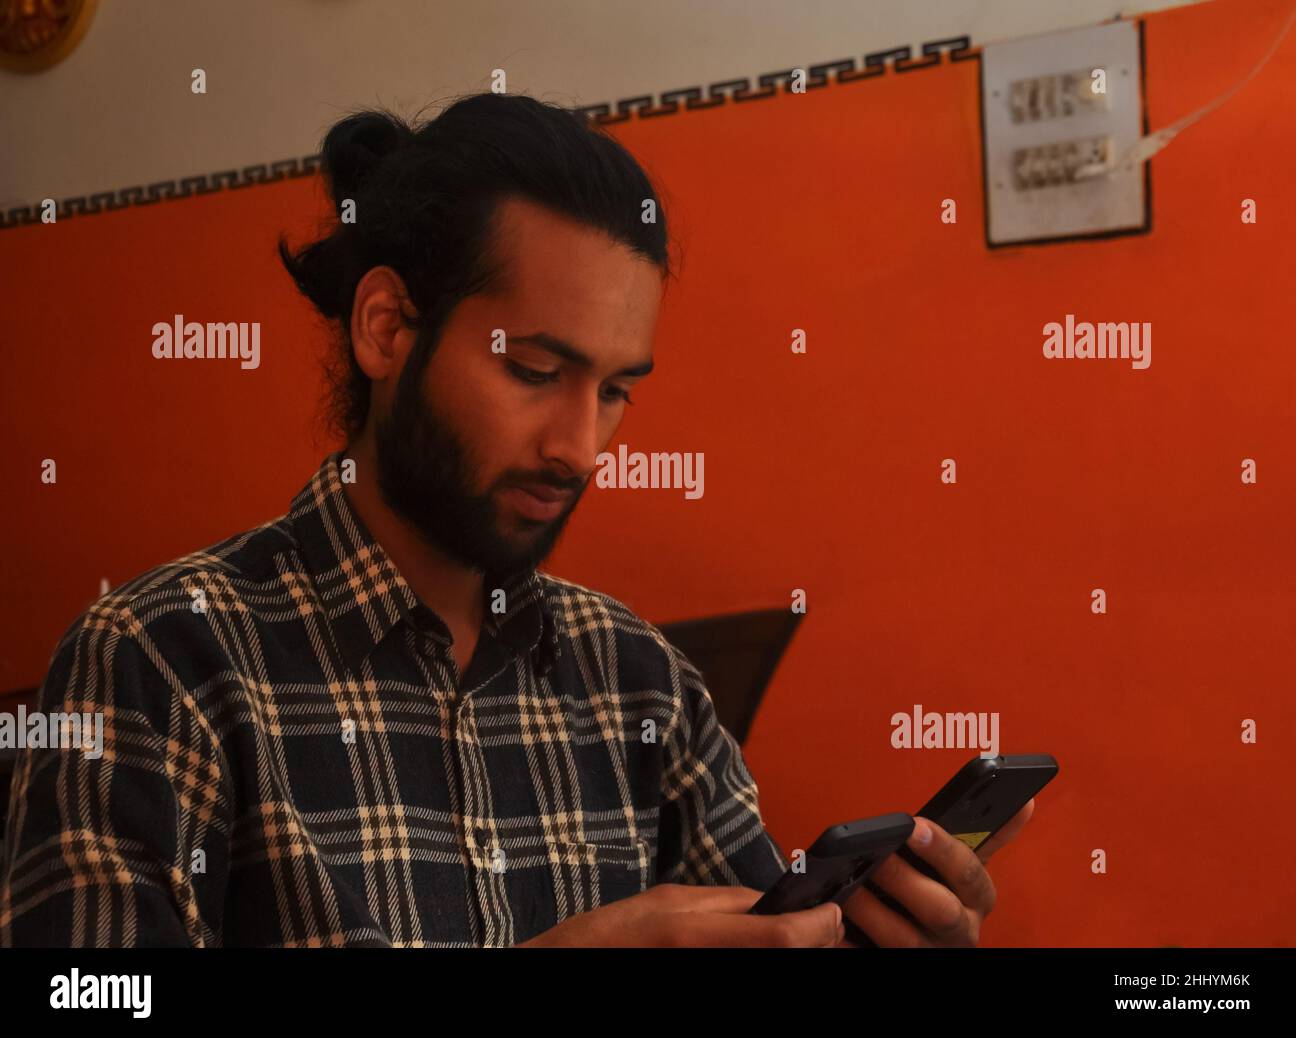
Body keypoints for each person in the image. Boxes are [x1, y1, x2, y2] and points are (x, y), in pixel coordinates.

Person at [0, 93, 1031, 947]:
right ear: (387, 327)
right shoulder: (160, 660)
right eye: (535, 371)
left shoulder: (642, 684)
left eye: (618, 390)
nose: (582, 448)